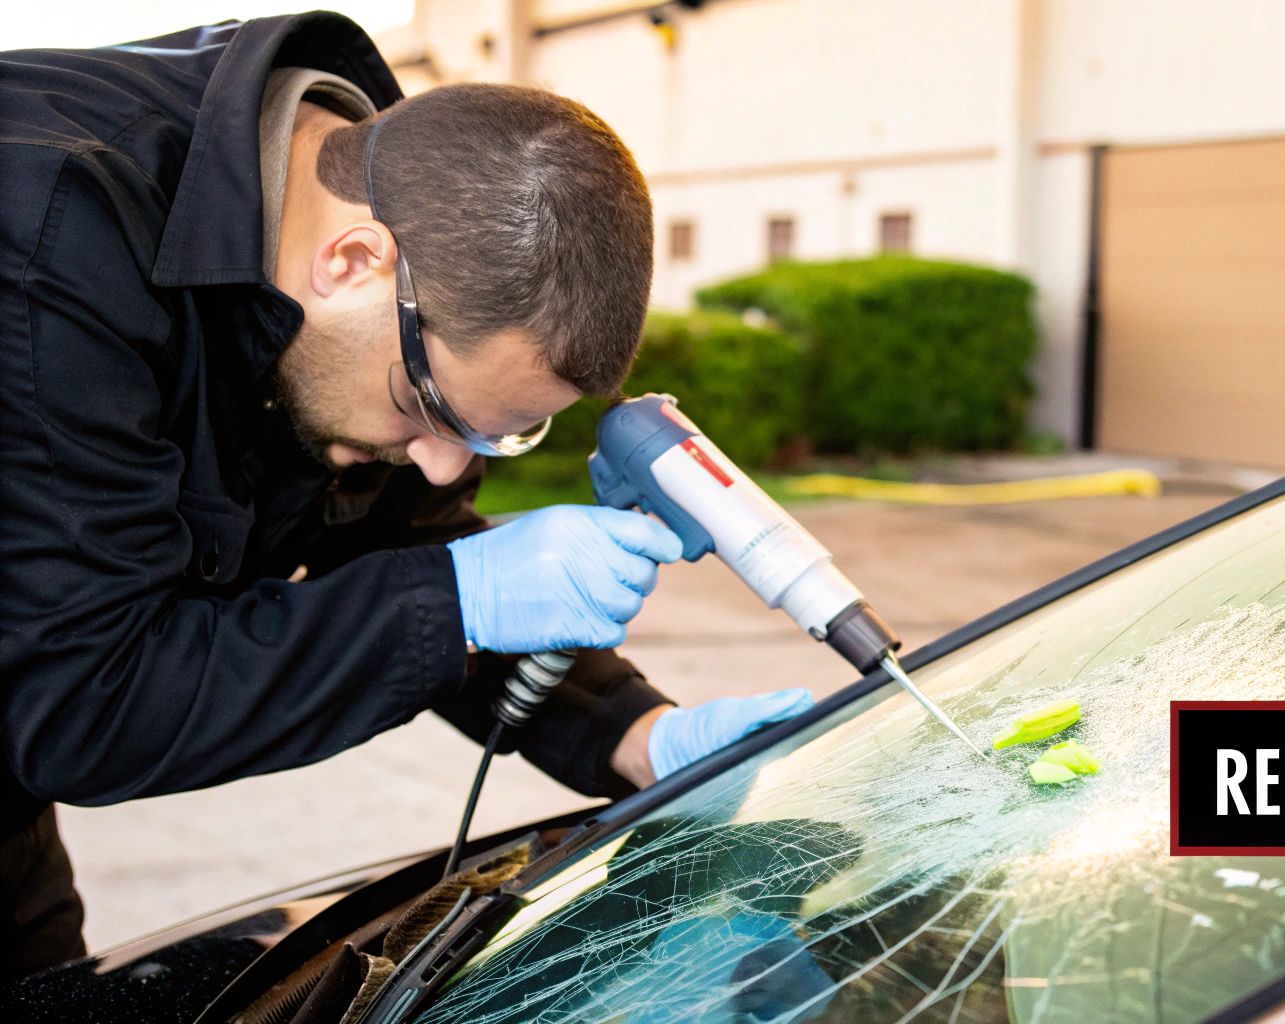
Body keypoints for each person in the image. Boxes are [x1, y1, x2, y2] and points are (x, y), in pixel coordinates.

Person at [0, 12, 813, 973]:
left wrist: (636, 736)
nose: (438, 467)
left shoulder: (407, 219)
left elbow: (399, 545)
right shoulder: (48, 240)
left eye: (490, 432)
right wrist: (458, 597)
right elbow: (80, 697)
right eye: (424, 405)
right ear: (352, 263)